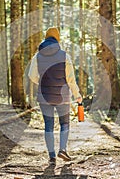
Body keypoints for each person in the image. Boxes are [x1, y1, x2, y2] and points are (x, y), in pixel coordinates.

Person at [28, 27, 82, 166]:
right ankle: (63, 149)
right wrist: (77, 95)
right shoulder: (65, 55)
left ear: (46, 39)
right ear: (57, 39)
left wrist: (43, 82)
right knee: (64, 123)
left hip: (44, 96)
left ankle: (51, 156)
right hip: (62, 97)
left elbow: (32, 76)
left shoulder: (37, 56)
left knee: (48, 125)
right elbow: (70, 79)